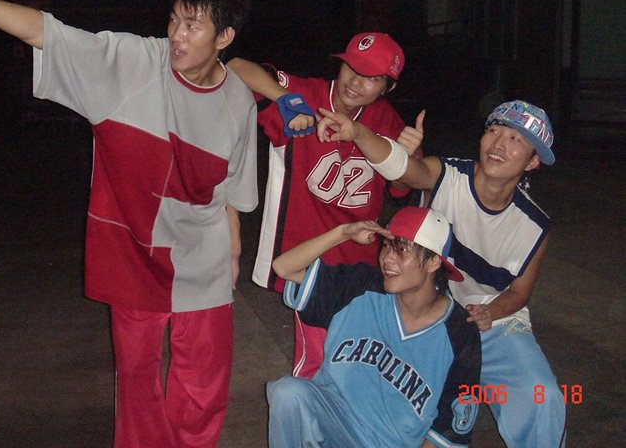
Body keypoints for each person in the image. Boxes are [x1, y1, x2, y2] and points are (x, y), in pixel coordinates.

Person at [0, 0, 258, 448]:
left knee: (204, 384)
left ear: (224, 37)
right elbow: (44, 31)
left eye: (193, 26)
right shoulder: (131, 64)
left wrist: (233, 250)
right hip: (135, 255)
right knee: (136, 380)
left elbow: (232, 191)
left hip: (203, 257)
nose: (177, 35)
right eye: (174, 20)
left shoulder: (237, 101)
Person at [317, 100, 566, 447]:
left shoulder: (534, 225)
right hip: (424, 310)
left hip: (489, 322)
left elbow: (520, 292)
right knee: (383, 397)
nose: (498, 144)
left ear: (533, 161)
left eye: (515, 139)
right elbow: (405, 169)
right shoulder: (447, 174)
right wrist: (358, 132)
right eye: (494, 131)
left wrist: (490, 312)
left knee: (543, 398)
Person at [227, 32, 412, 378]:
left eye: (371, 77)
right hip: (304, 258)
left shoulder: (387, 121)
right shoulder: (308, 95)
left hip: (359, 261)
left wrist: (407, 158)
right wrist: (287, 101)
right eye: (351, 67)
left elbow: (401, 189)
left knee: (355, 362)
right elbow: (236, 67)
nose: (355, 81)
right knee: (316, 364)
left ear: (388, 87)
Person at [267, 206, 481, 448]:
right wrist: (344, 233)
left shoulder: (460, 332)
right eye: (387, 245)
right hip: (334, 423)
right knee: (289, 394)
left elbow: (449, 430)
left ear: (433, 262)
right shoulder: (361, 287)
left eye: (401, 250)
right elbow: (284, 267)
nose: (387, 258)